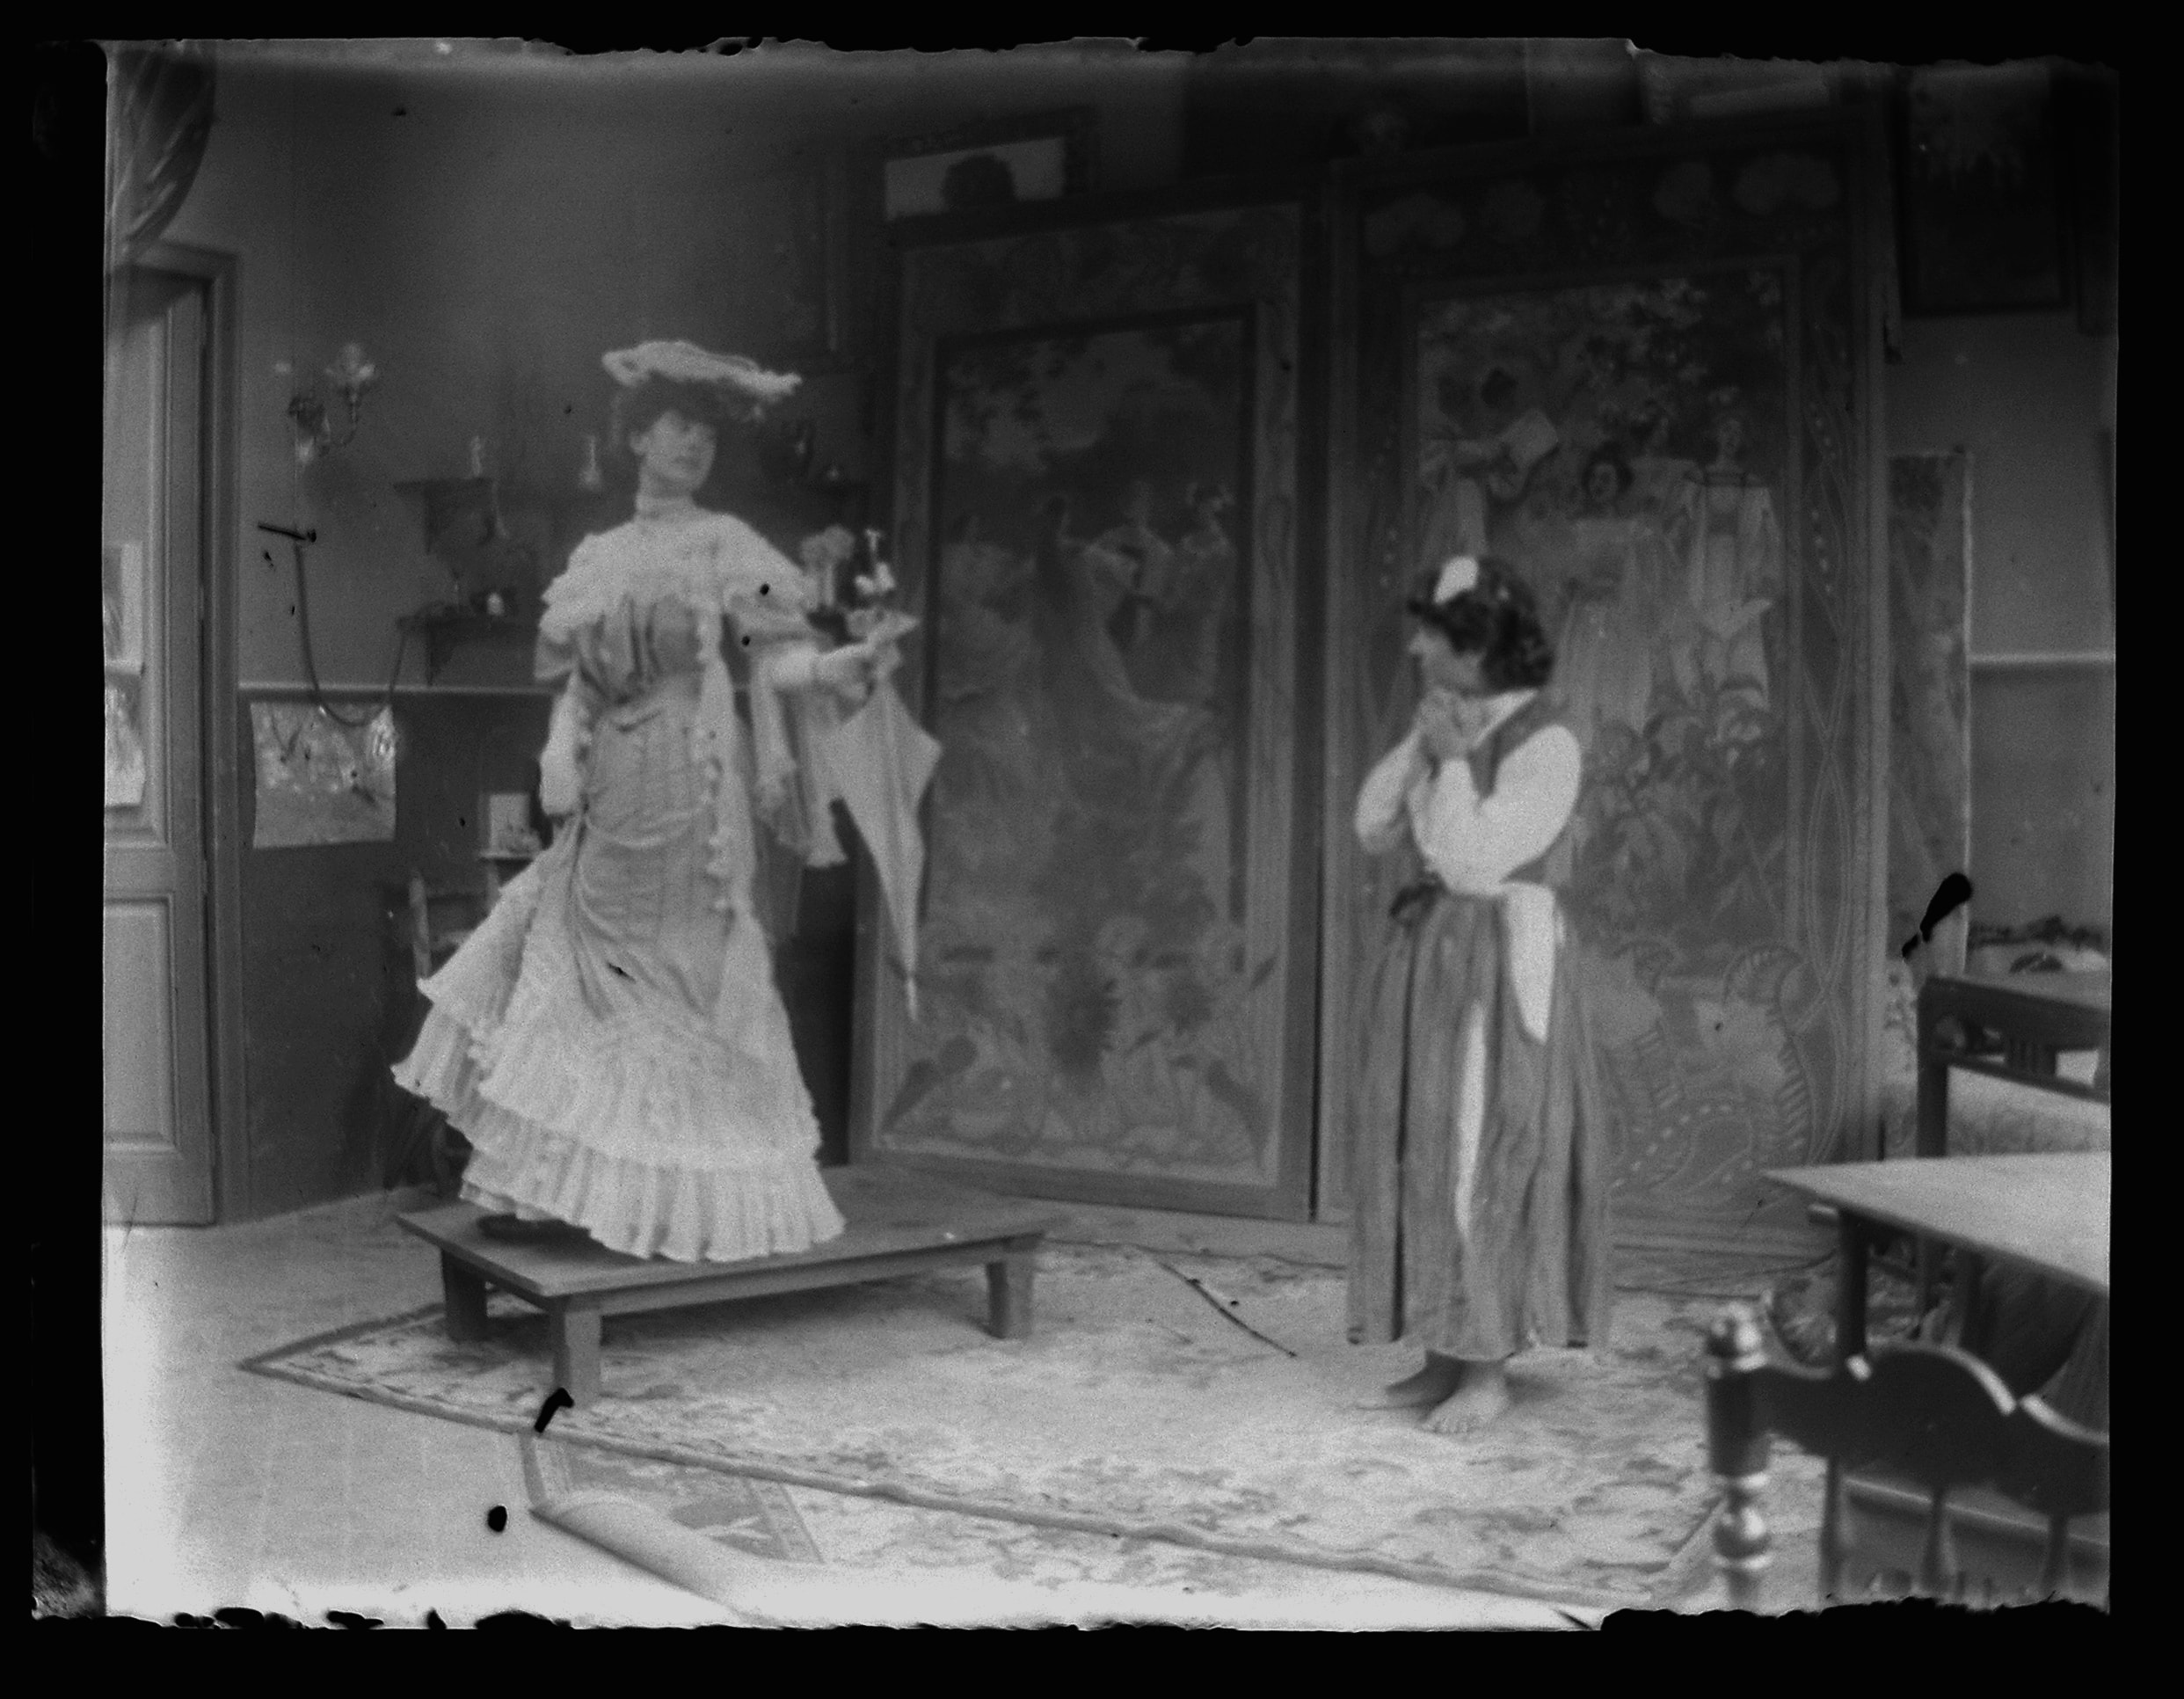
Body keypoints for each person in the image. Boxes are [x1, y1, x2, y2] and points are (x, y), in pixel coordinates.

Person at [392, 340, 892, 1263]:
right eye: (676, 426)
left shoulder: (726, 544)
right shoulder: (601, 556)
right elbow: (579, 684)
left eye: (706, 433)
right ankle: (578, 1197)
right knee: (587, 973)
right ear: (636, 439)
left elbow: (776, 655)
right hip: (610, 788)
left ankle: (687, 1205)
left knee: (685, 978)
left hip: (692, 787)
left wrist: (833, 667)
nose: (693, 444)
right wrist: (557, 751)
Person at [1348, 554, 1613, 1433]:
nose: (1416, 650)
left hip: (1503, 959)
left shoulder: (1546, 741)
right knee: (1426, 1140)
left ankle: (1488, 1367)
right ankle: (1442, 1348)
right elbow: (1373, 824)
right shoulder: (1450, 724)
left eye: (1431, 635)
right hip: (1435, 959)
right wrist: (1424, 749)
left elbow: (1469, 862)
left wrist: (1455, 760)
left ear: (1475, 646)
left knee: (1483, 1140)